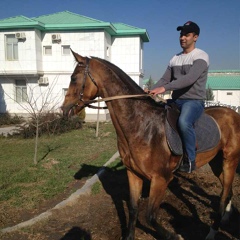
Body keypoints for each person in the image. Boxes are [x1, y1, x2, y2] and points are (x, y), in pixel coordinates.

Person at [149, 21, 209, 173]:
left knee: (183, 122)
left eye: (187, 35)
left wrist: (165, 88)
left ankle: (190, 159)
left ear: (195, 37)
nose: (182, 38)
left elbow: (189, 79)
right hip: (176, 101)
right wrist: (152, 90)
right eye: (181, 35)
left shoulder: (201, 56)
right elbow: (164, 79)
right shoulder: (174, 58)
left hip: (193, 101)